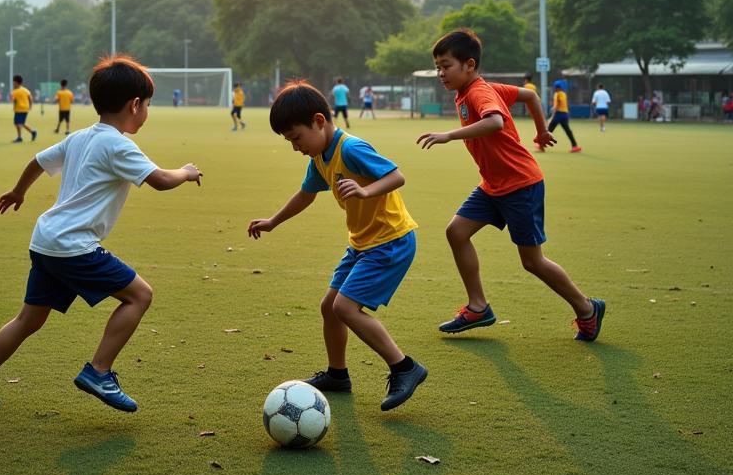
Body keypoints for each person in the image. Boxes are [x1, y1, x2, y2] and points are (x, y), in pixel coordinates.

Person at [0, 55, 202, 414]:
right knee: (140, 296)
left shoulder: (80, 137)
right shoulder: (118, 145)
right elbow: (161, 180)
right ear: (134, 105)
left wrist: (20, 191)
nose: (147, 111)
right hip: (73, 248)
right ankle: (99, 371)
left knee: (29, 319)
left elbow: (38, 161)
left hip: (46, 241)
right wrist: (187, 171)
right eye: (147, 105)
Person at [416, 28, 605, 342]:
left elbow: (495, 122)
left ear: (469, 65)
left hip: (520, 185)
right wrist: (542, 131)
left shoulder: (480, 92)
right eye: (437, 66)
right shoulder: (477, 89)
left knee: (532, 261)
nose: (440, 73)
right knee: (456, 232)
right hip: (493, 185)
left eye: (446, 65)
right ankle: (478, 307)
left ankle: (587, 310)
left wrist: (448, 135)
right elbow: (530, 96)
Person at [247, 81, 426, 413]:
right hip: (362, 243)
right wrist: (273, 221)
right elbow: (306, 194)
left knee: (345, 308)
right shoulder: (319, 156)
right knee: (330, 307)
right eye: (289, 141)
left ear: (318, 121)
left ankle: (404, 367)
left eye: (296, 137)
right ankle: (337, 375)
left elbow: (396, 176)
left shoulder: (352, 148)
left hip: (391, 241)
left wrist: (365, 191)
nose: (295, 147)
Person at [546, 79, 581, 153]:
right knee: (568, 131)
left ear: (556, 87)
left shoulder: (558, 94)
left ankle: (540, 145)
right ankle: (575, 146)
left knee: (549, 130)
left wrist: (552, 115)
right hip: (564, 115)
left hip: (558, 114)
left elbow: (558, 103)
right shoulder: (564, 93)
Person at [11, 75, 37, 143]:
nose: (13, 84)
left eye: (14, 83)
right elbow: (30, 98)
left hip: (21, 109)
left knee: (19, 123)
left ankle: (19, 138)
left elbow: (13, 100)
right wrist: (30, 106)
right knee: (19, 123)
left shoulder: (14, 91)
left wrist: (13, 100)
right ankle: (32, 132)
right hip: (22, 109)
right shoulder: (25, 90)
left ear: (16, 83)